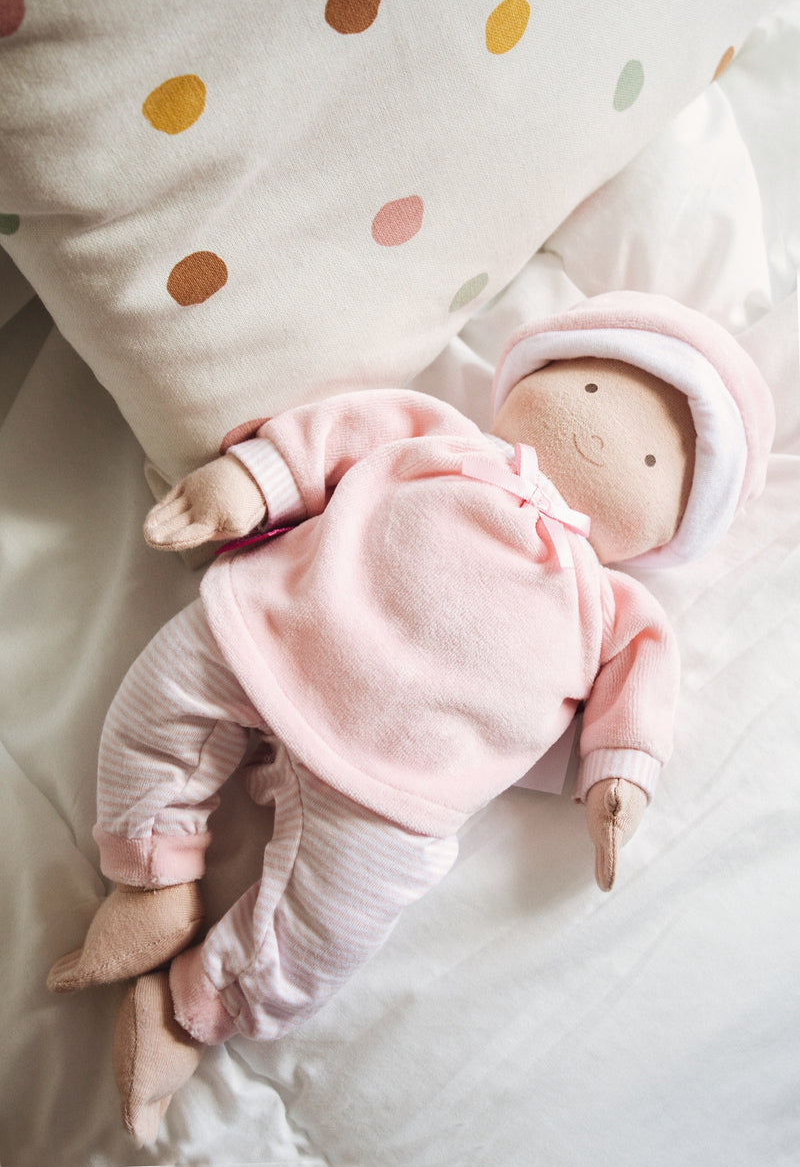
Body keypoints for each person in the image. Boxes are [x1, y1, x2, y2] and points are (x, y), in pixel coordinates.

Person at [48, 291, 774, 1145]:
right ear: (540, 371)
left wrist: (620, 782)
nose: (596, 435)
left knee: (330, 931)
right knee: (160, 704)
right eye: (587, 391)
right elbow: (331, 438)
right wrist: (247, 485)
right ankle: (154, 878)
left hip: (403, 777)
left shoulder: (616, 605)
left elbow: (639, 690)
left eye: (653, 464)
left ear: (667, 528)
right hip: (280, 626)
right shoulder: (435, 438)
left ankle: (191, 1007)